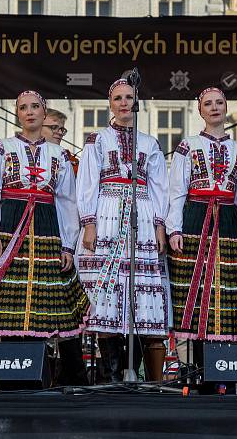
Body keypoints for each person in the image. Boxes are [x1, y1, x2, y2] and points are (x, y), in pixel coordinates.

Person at [0, 91, 88, 344]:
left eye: (35, 106)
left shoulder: (60, 156)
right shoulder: (1, 148)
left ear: (43, 113)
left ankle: (38, 369)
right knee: (9, 299)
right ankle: (11, 374)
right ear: (18, 113)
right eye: (24, 107)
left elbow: (67, 201)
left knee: (42, 299)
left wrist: (68, 243)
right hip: (9, 225)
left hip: (46, 228)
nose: (30, 111)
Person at [76, 76, 169, 383]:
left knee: (139, 295)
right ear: (110, 103)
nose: (124, 103)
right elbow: (87, 182)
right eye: (118, 98)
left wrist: (158, 225)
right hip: (107, 213)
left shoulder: (149, 143)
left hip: (141, 215)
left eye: (129, 97)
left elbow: (158, 186)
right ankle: (112, 375)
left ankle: (134, 373)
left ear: (136, 102)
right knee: (107, 294)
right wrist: (88, 222)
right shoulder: (97, 140)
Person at [166, 87, 237, 367]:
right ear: (200, 110)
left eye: (219, 102)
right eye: (208, 103)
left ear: (226, 107)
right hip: (196, 216)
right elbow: (176, 191)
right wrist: (175, 229)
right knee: (192, 290)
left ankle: (227, 367)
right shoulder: (188, 145)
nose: (215, 107)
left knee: (230, 289)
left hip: (230, 220)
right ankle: (194, 369)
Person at [37, 107, 87, 385]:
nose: (59, 133)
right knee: (39, 308)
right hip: (37, 237)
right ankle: (40, 373)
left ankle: (73, 375)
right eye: (54, 127)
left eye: (61, 129)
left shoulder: (68, 161)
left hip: (63, 239)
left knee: (68, 307)